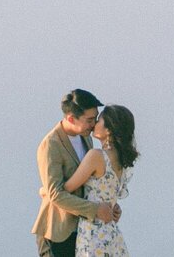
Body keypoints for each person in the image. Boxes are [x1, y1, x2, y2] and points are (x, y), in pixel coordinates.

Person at [33, 89, 120, 257]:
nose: (94, 124)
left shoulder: (85, 137)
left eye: (95, 118)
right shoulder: (50, 145)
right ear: (71, 118)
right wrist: (95, 209)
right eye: (89, 120)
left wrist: (110, 206)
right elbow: (56, 195)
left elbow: (88, 182)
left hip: (82, 232)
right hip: (57, 232)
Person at [63, 105, 138, 257]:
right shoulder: (122, 162)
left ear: (109, 130)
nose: (94, 124)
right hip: (111, 234)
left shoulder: (96, 156)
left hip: (93, 234)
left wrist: (44, 191)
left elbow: (66, 188)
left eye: (99, 120)